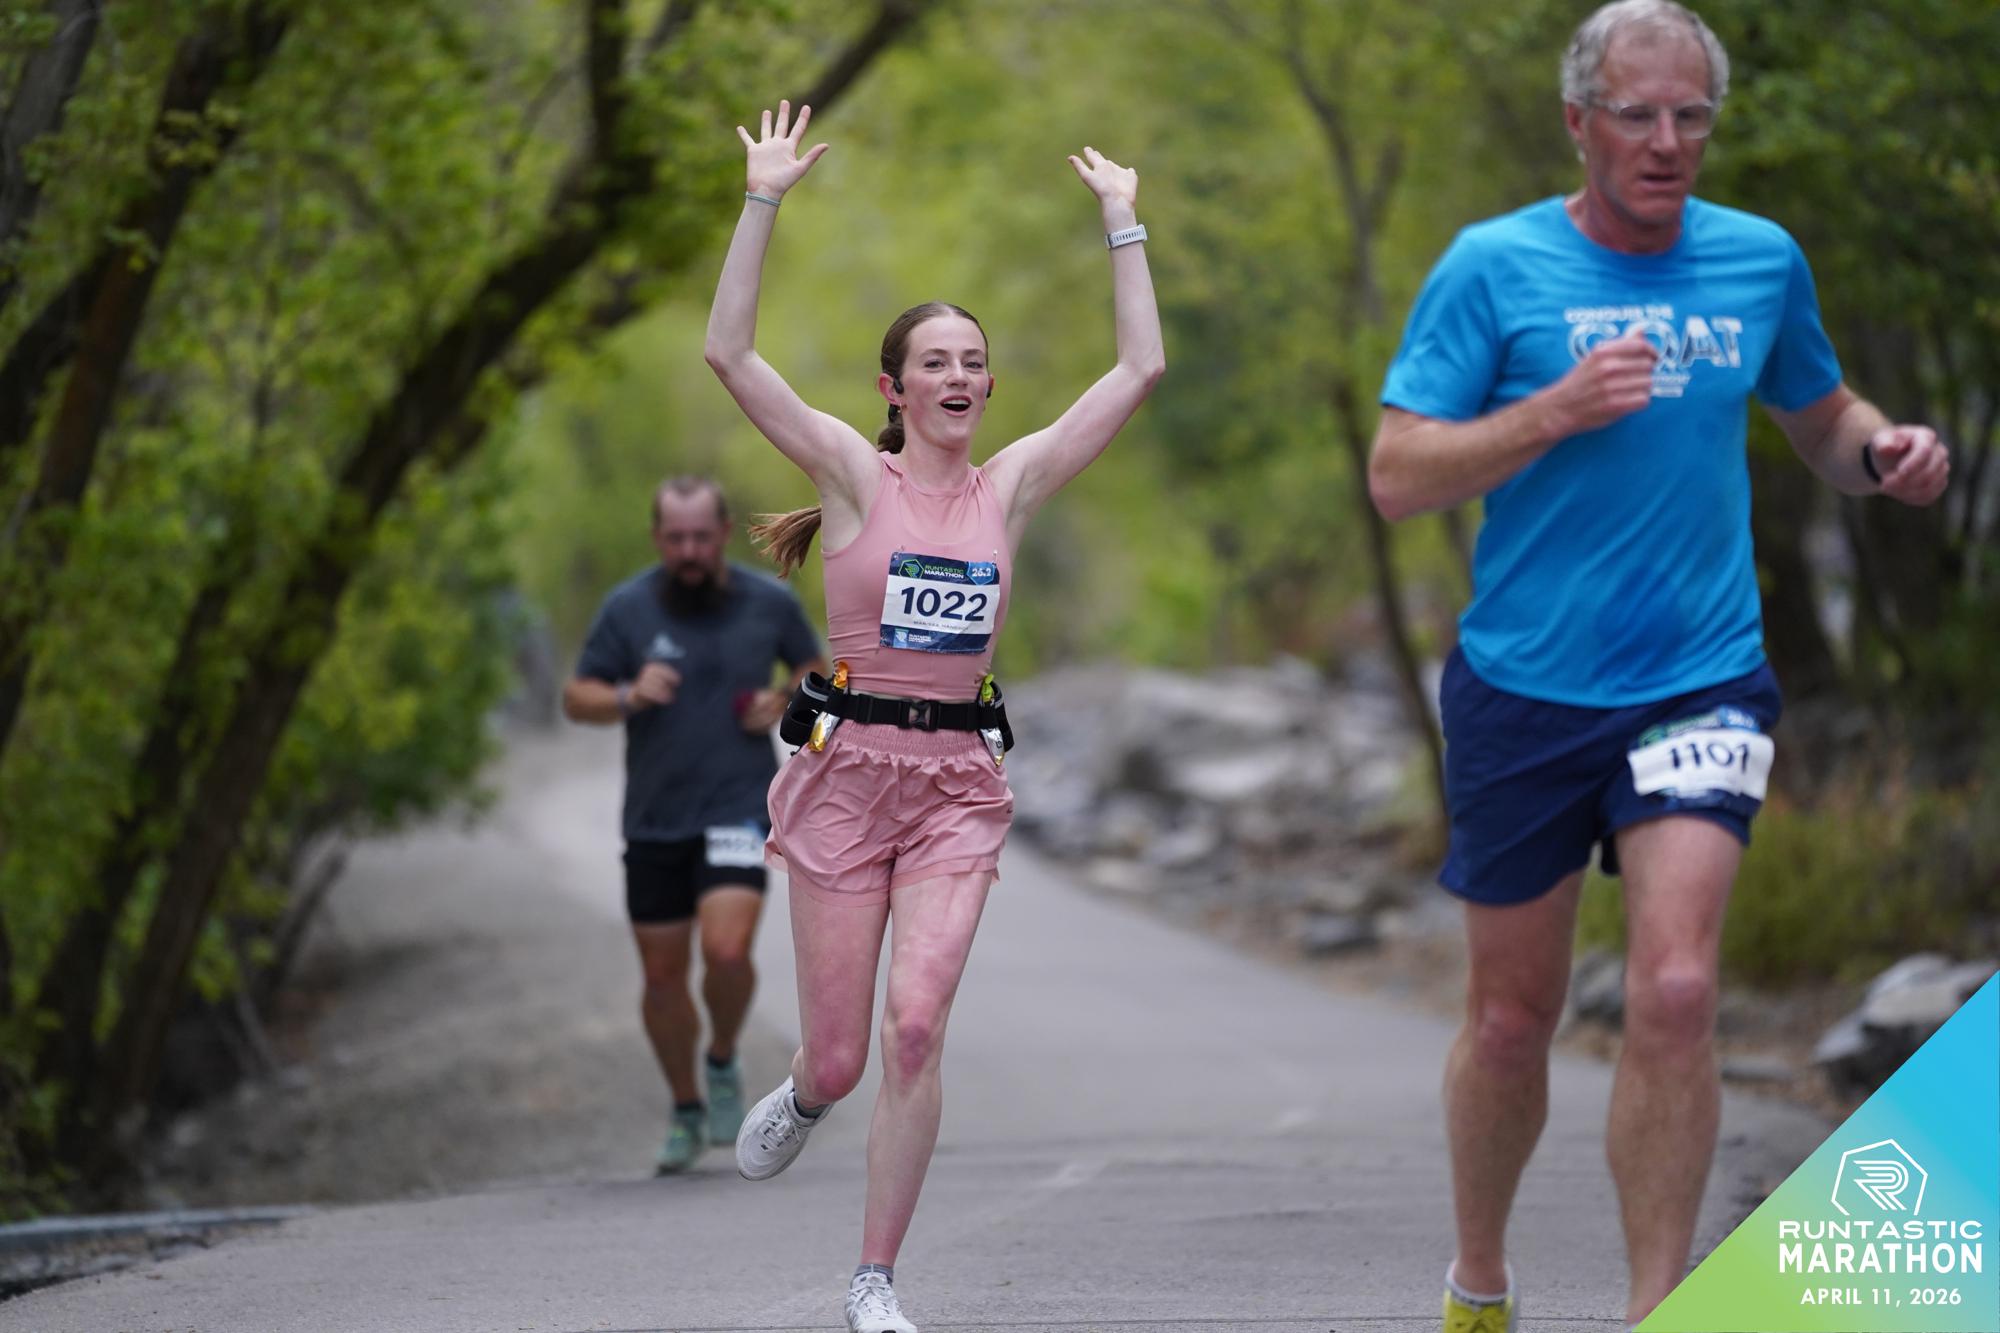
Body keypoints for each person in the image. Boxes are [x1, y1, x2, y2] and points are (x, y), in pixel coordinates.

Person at [1369, 3, 1951, 1329]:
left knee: (1678, 990)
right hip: (1523, 686)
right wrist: (1551, 410)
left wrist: (1880, 453)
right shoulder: (1491, 267)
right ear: (1578, 122)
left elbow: (1820, 414)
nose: (1667, 141)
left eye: (1692, 115)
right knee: (1510, 1019)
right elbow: (1398, 474)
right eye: (1637, 115)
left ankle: (1660, 1305)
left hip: (1700, 674)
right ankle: (1479, 1278)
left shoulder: (1757, 259)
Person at [702, 100, 1163, 1333]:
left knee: (916, 1025)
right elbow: (730, 355)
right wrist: (762, 198)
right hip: (845, 774)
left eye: (972, 362)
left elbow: (1137, 372)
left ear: (987, 386)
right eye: (935, 362)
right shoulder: (854, 477)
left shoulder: (1009, 487)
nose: (958, 377)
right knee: (843, 1053)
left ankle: (874, 1280)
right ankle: (807, 1093)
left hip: (957, 783)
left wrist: (1122, 222)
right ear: (894, 389)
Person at [563, 476, 825, 1173]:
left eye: (701, 537)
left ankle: (722, 1058)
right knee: (661, 977)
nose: (688, 551)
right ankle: (685, 1107)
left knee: (728, 951)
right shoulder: (627, 608)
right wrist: (628, 693)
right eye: (675, 538)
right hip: (655, 820)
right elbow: (577, 696)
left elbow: (818, 671)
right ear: (658, 538)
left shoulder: (768, 602)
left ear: (723, 534)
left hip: (737, 804)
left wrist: (783, 698)